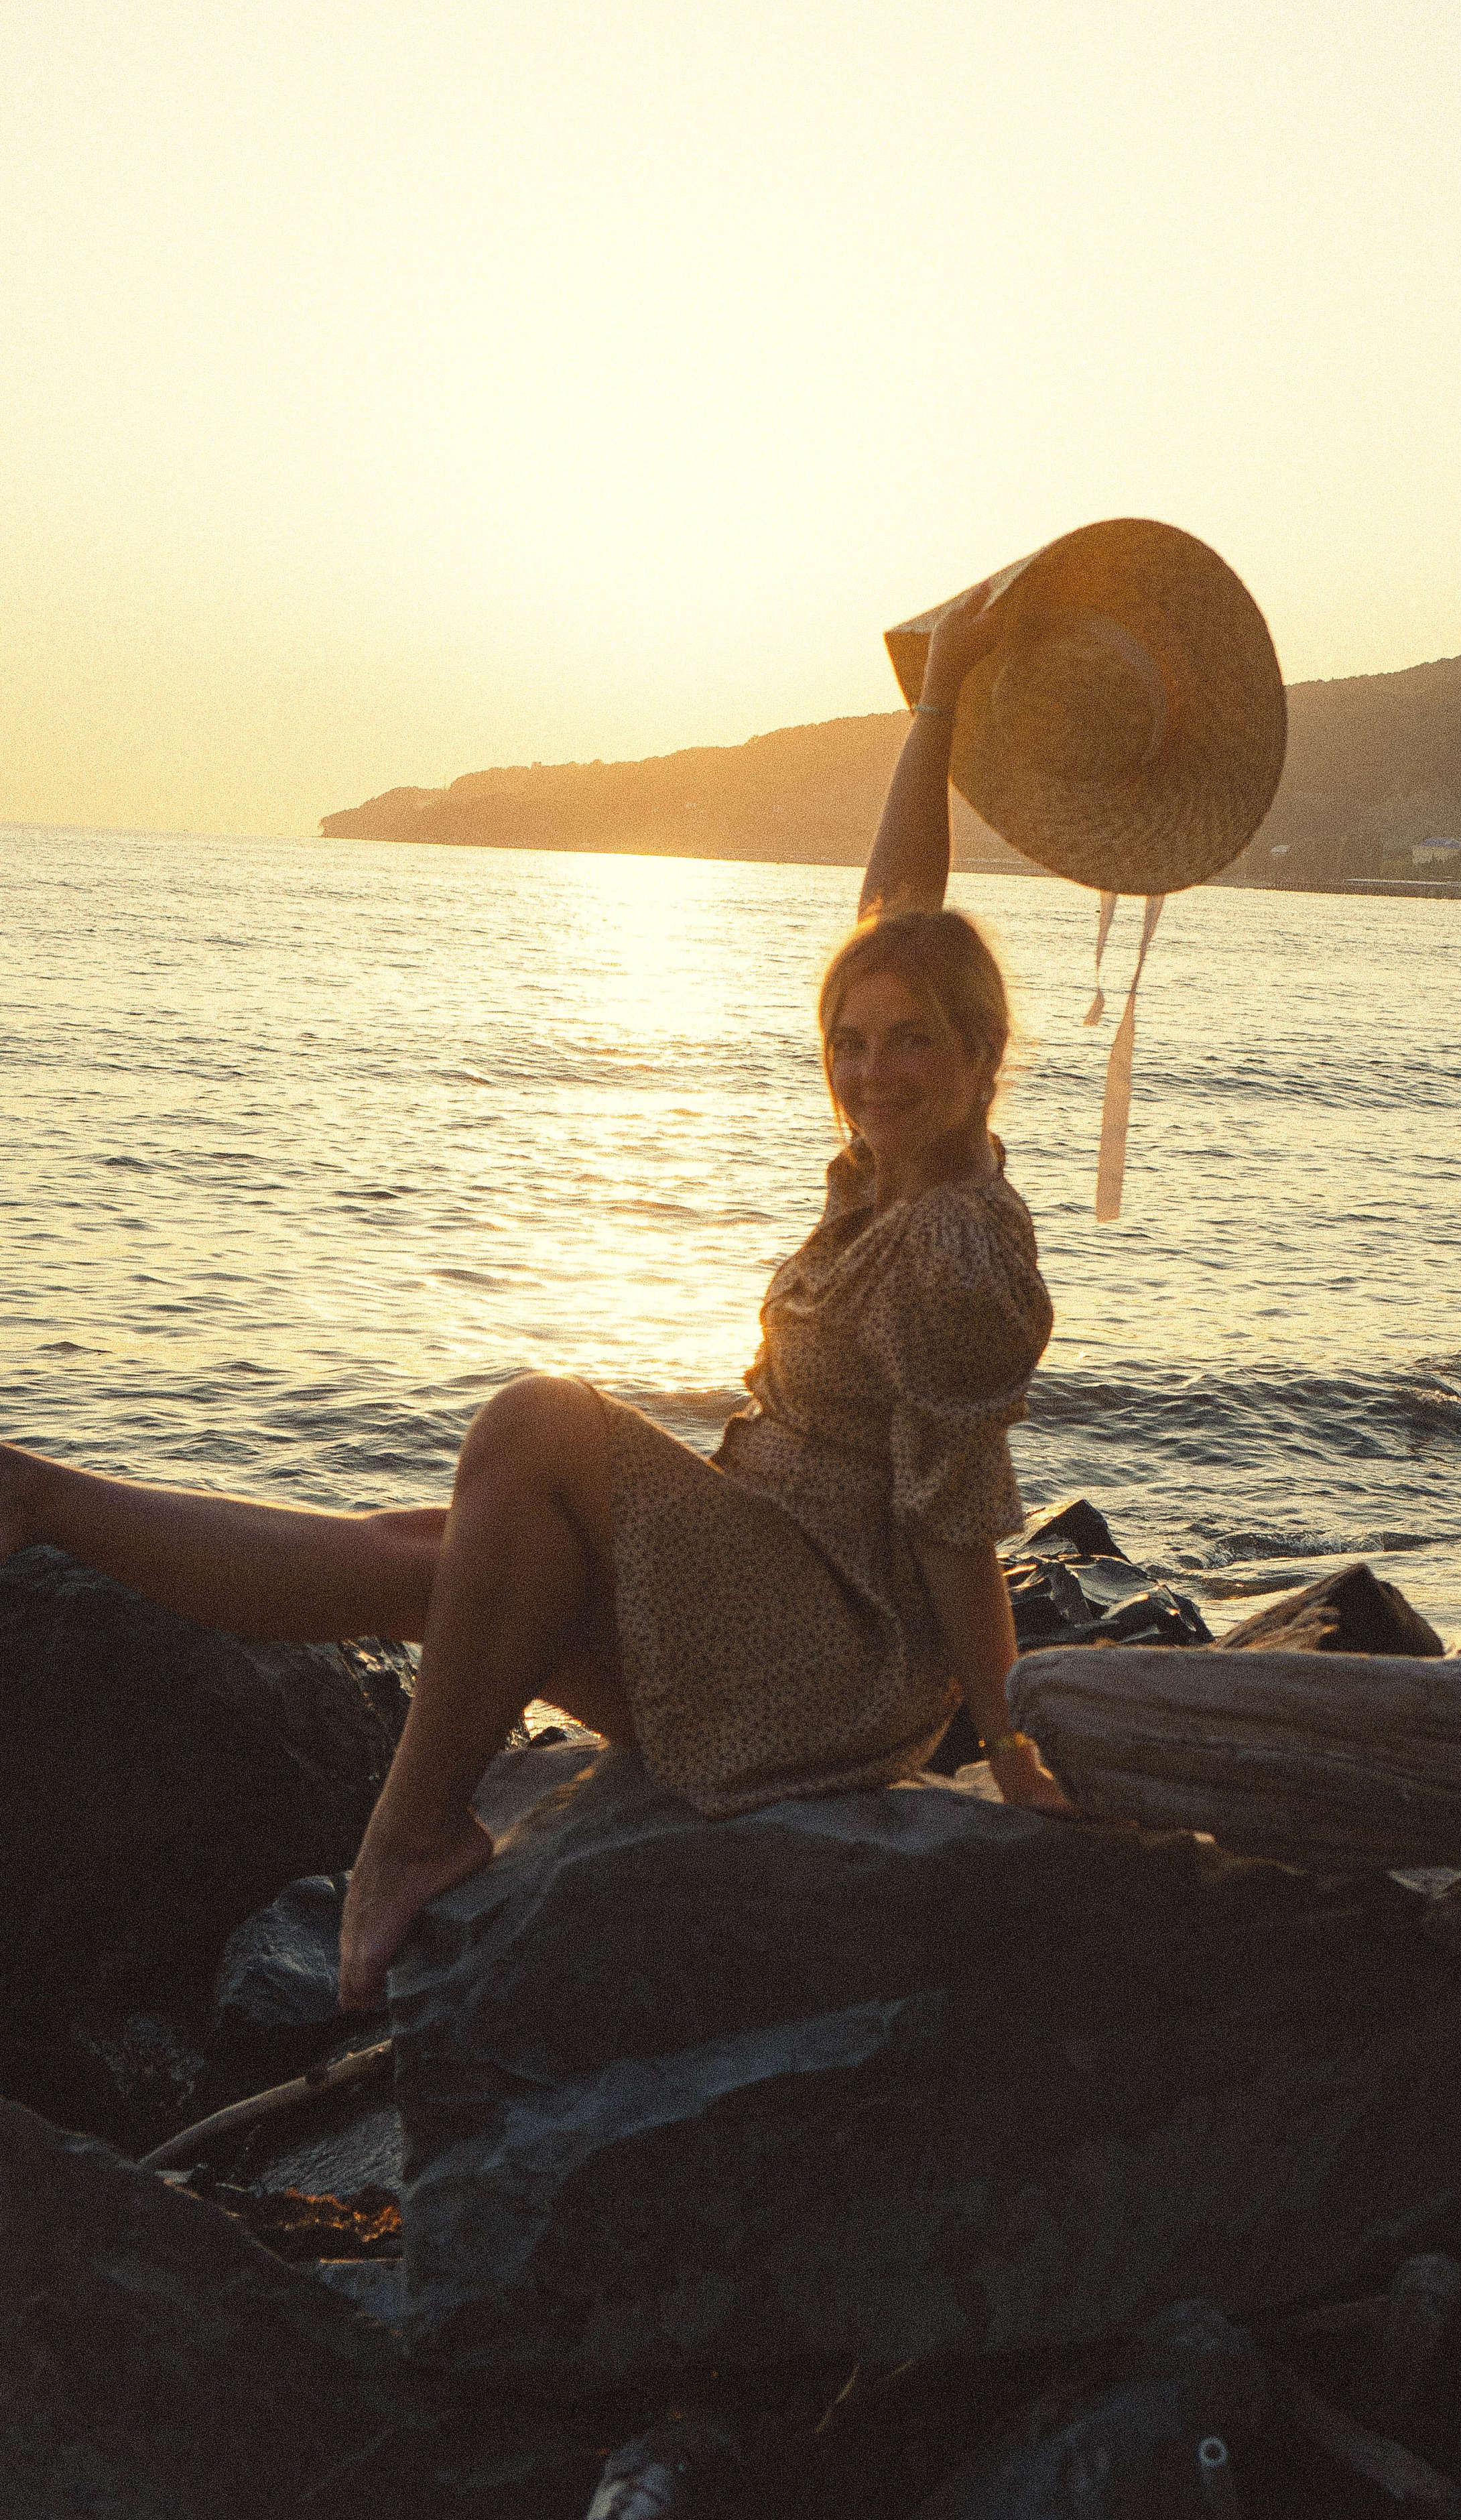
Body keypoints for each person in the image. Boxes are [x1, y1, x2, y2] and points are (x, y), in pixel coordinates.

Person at [0, 581, 1070, 2015]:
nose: (870, 1070)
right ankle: (36, 1499)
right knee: (424, 1556)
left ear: (979, 1050)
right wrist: (934, 696)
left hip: (829, 1661)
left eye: (909, 1044)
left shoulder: (951, 1249)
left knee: (534, 1425)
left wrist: (1008, 1749)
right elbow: (896, 912)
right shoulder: (887, 1175)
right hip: (762, 1577)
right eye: (849, 1043)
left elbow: (950, 1520)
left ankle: (408, 1840)